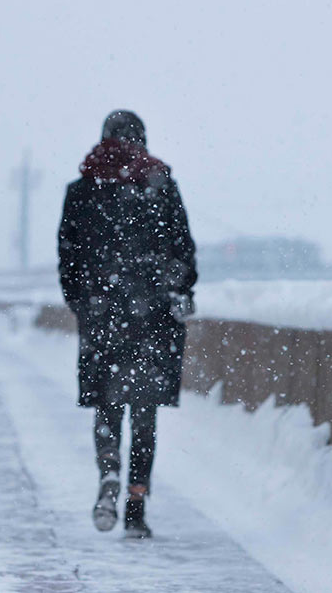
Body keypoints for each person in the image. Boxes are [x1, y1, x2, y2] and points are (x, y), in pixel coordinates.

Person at [57, 110, 197, 539]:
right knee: (145, 413)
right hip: (152, 317)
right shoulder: (160, 185)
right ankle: (136, 504)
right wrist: (176, 289)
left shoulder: (81, 190)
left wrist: (84, 303)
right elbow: (184, 253)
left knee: (108, 404)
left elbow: (69, 258)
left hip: (103, 317)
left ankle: (108, 474)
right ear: (142, 139)